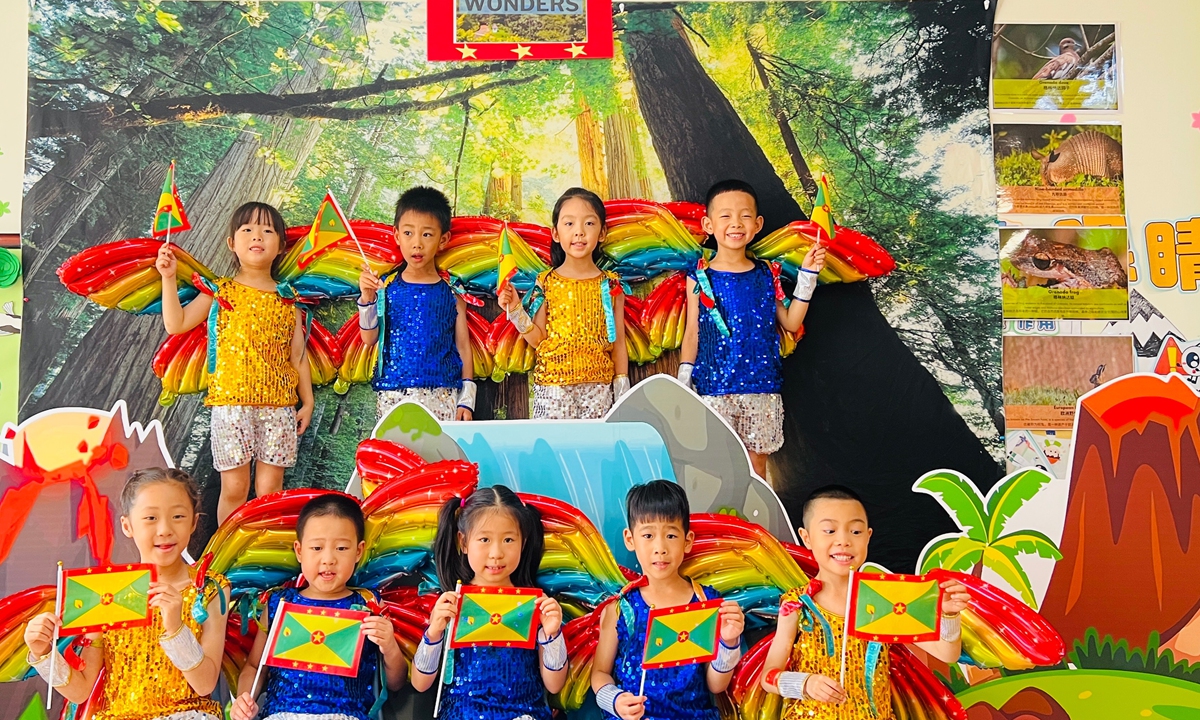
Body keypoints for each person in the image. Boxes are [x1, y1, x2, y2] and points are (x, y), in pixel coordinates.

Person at [23, 468, 231, 720]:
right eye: (150, 518)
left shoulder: (208, 588)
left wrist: (176, 629)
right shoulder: (107, 592)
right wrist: (42, 652)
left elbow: (205, 684)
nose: (164, 529)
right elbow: (81, 690)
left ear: (194, 522)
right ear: (127, 525)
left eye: (177, 516)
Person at [157, 202, 313, 524]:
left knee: (270, 490)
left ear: (281, 246)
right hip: (231, 406)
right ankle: (228, 555)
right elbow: (177, 323)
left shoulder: (289, 300)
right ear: (232, 243)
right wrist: (168, 278)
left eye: (268, 230)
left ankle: (262, 560)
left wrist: (307, 402)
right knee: (234, 488)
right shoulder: (221, 293)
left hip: (279, 408)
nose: (258, 236)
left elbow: (297, 356)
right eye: (247, 230)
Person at [758, 485, 972, 718]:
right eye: (829, 530)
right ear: (806, 538)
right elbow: (768, 676)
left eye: (855, 532)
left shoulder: (885, 600)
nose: (843, 541)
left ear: (868, 537)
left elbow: (947, 653)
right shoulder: (797, 604)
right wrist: (805, 684)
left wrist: (949, 615)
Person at [678, 180, 825, 480]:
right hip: (714, 389)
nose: (736, 223)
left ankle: (756, 526)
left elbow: (791, 323)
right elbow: (692, 332)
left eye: (745, 216)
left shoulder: (766, 274)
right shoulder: (699, 278)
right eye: (726, 216)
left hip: (761, 387)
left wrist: (808, 276)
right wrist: (684, 378)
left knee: (756, 468)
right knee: (718, 470)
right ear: (708, 224)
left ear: (758, 224)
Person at [231, 493, 407, 720]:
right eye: (316, 548)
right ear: (299, 550)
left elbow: (395, 683)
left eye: (341, 548)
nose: (328, 559)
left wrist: (390, 645)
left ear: (359, 551)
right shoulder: (280, 604)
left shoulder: (368, 604)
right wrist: (245, 699)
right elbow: (255, 667)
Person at [591, 480, 745, 720]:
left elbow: (716, 686)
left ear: (688, 540)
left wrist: (729, 642)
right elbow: (600, 672)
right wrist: (615, 700)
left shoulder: (707, 603)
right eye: (648, 535)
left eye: (671, 535)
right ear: (630, 539)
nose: (660, 547)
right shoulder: (621, 608)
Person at [411, 485, 567, 720]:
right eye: (484, 539)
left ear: (523, 543)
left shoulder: (535, 605)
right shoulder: (452, 603)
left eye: (508, 540)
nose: (496, 553)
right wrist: (434, 633)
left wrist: (552, 634)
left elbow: (554, 686)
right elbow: (420, 683)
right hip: (462, 713)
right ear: (463, 542)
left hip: (524, 714)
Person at [498, 188, 629, 419]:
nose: (579, 232)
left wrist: (622, 392)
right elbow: (538, 339)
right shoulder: (546, 282)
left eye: (589, 223)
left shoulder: (611, 285)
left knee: (595, 453)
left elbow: (618, 344)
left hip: (598, 388)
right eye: (569, 224)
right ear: (556, 233)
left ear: (602, 232)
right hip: (552, 390)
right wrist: (516, 309)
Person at [357, 187, 476, 422]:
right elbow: (369, 338)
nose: (417, 244)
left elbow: (463, 347)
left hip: (442, 395)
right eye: (409, 233)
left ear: (443, 239)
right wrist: (368, 298)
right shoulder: (385, 289)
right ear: (397, 235)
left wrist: (467, 399)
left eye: (427, 235)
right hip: (392, 394)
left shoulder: (451, 295)